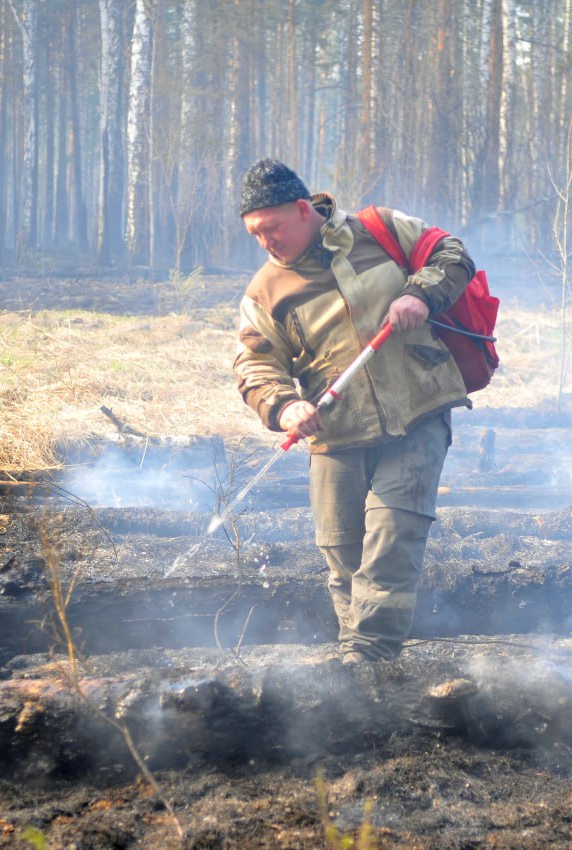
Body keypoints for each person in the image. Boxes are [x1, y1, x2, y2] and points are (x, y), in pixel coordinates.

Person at [232, 158, 477, 664]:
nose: (266, 242)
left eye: (272, 228)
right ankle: (360, 669)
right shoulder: (264, 291)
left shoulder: (379, 230)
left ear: (304, 210)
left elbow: (452, 254)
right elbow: (256, 366)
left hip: (418, 410)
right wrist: (285, 408)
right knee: (342, 555)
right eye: (255, 235)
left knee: (391, 537)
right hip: (336, 431)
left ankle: (368, 658)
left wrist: (420, 295)